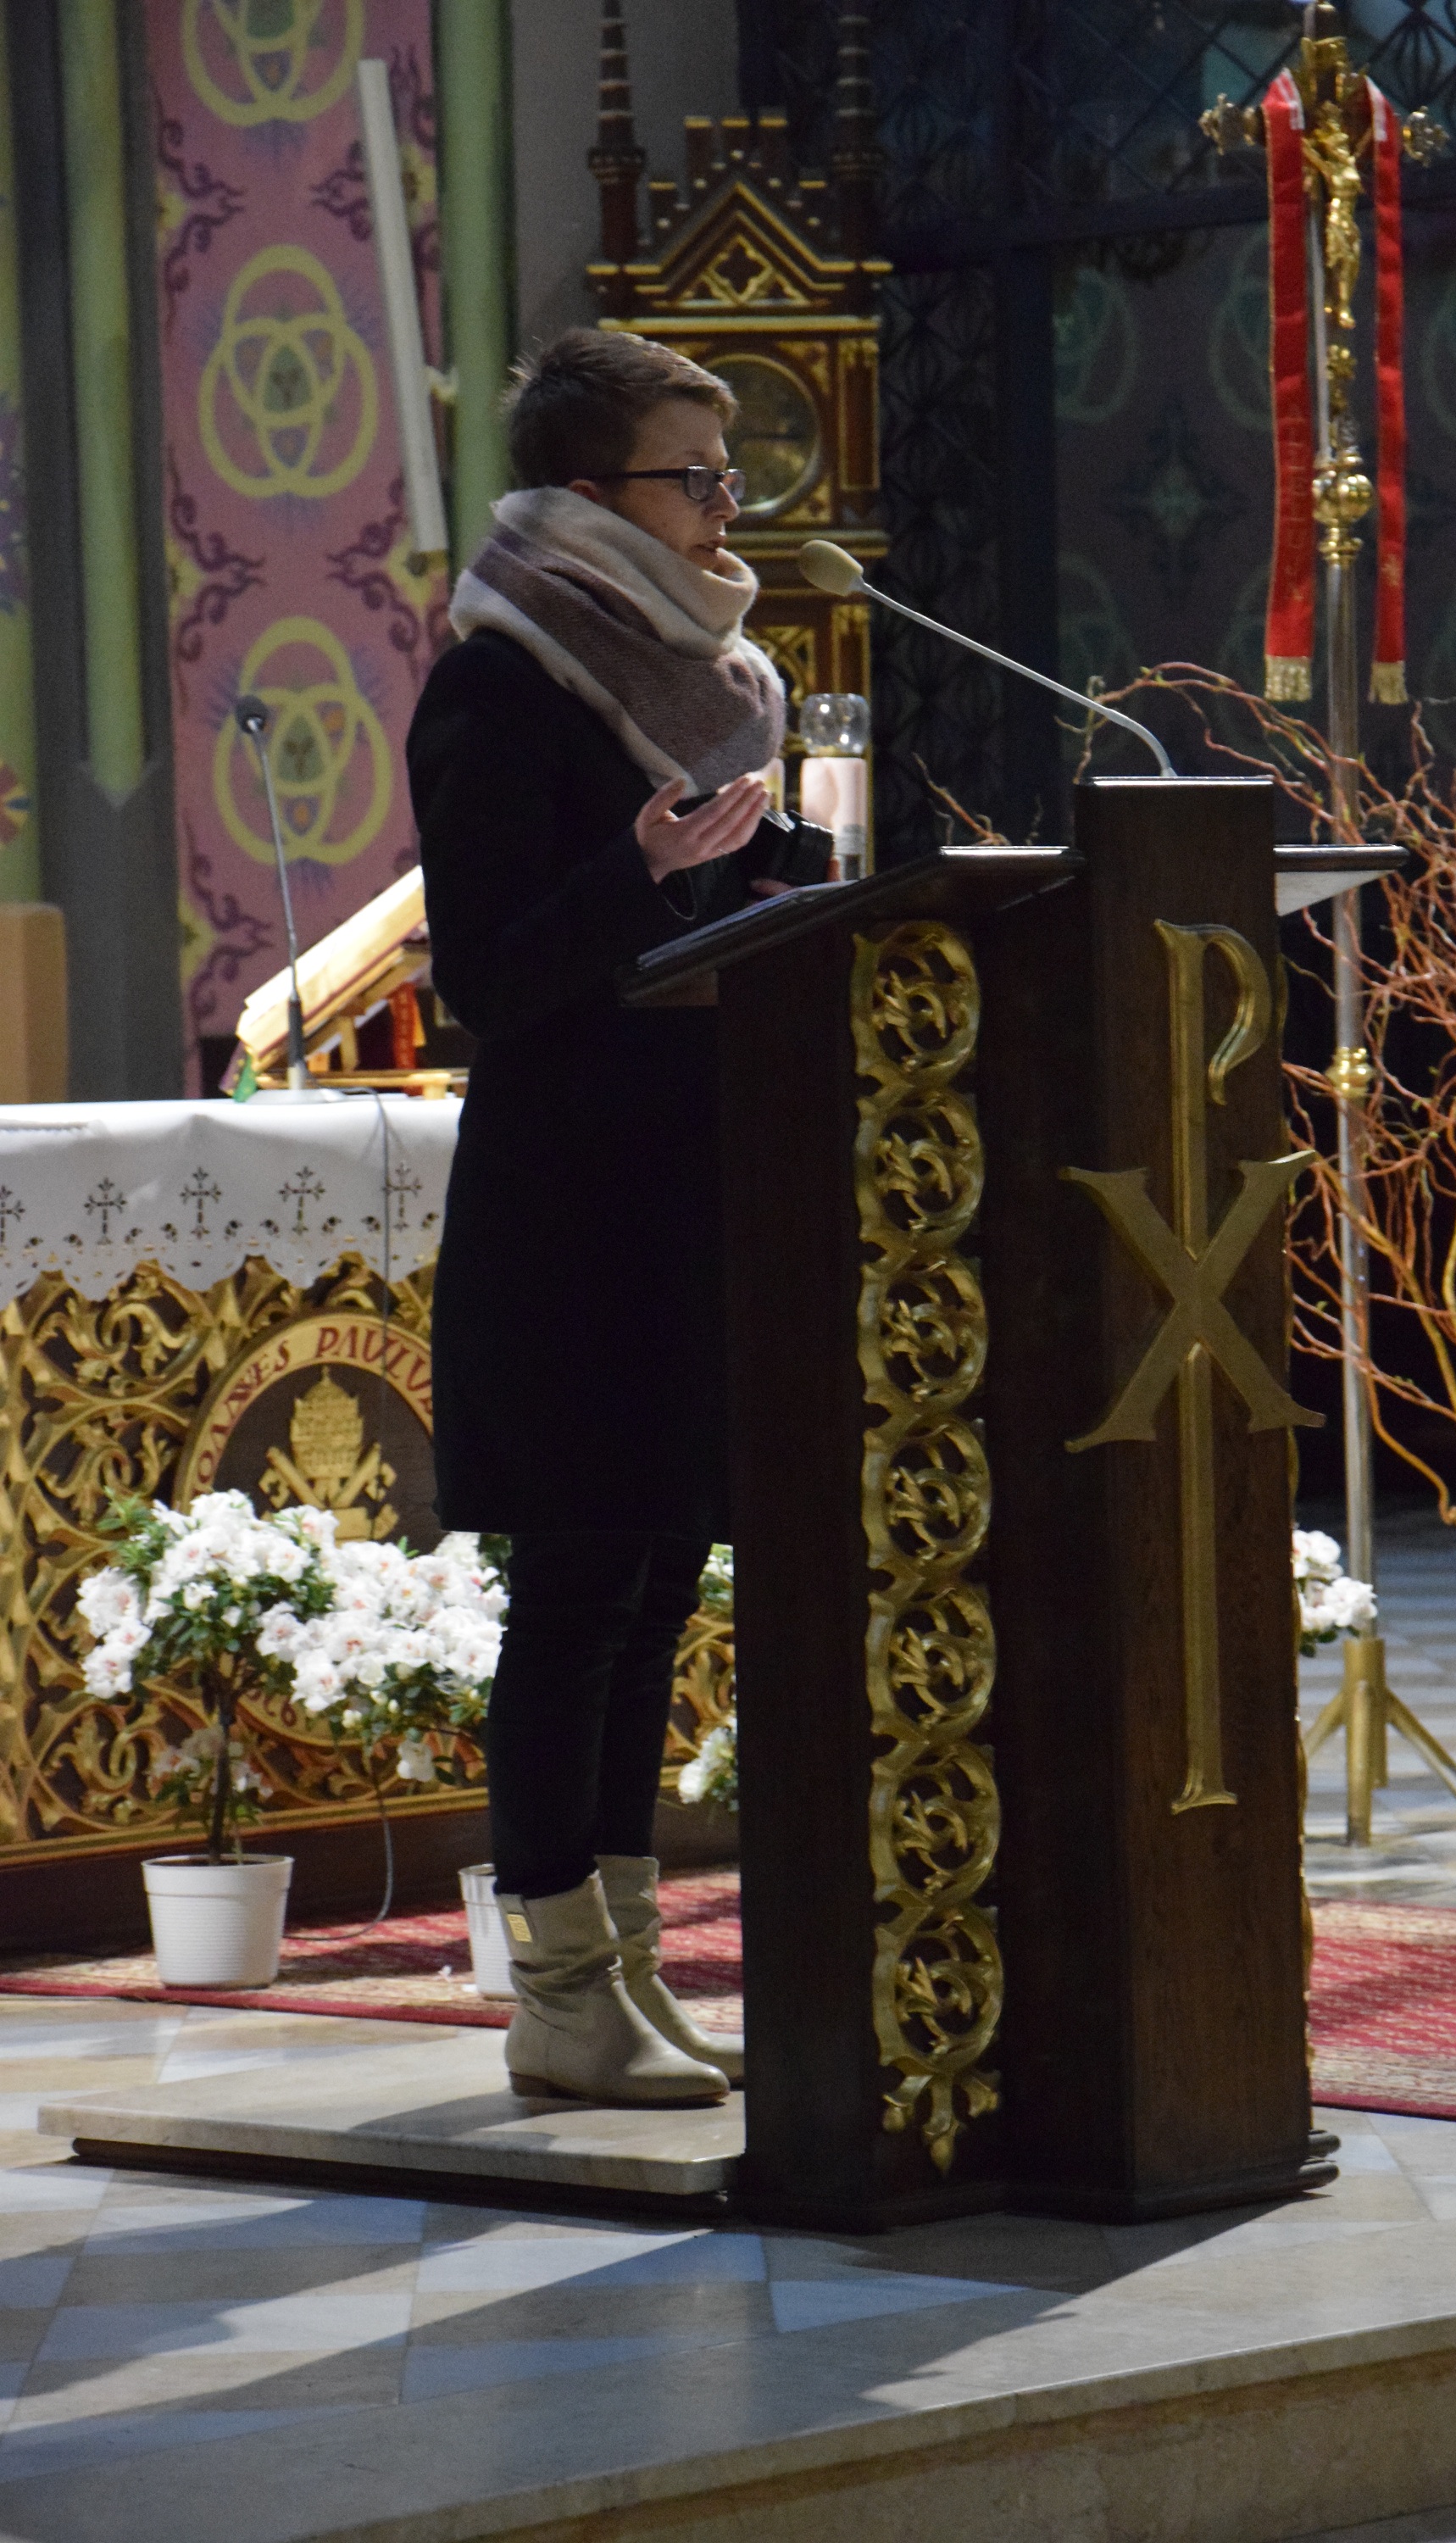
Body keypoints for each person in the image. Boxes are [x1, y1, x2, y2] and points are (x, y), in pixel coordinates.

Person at [408, 330, 829, 2107]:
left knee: (657, 1581)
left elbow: (723, 927)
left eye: (730, 476)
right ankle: (558, 1992)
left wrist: (800, 871)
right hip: (573, 1199)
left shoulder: (718, 683)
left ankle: (630, 1972)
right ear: (590, 495)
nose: (727, 508)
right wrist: (643, 869)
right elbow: (490, 976)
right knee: (577, 1588)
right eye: (694, 476)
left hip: (694, 1177)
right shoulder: (499, 688)